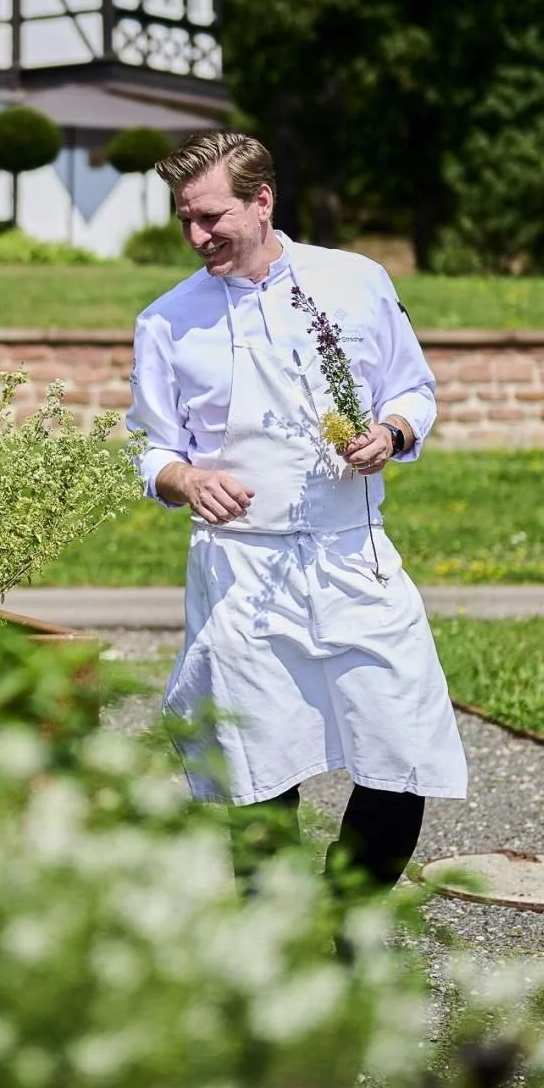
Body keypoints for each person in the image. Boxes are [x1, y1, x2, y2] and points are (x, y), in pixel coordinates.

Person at [126, 130, 466, 899]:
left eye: (211, 216)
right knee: (256, 771)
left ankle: (346, 914)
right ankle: (273, 940)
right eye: (184, 218)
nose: (195, 236)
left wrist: (394, 432)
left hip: (356, 555)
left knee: (401, 750)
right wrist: (183, 477)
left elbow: (414, 388)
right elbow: (144, 447)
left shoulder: (355, 281)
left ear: (262, 200)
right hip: (239, 568)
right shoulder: (167, 321)